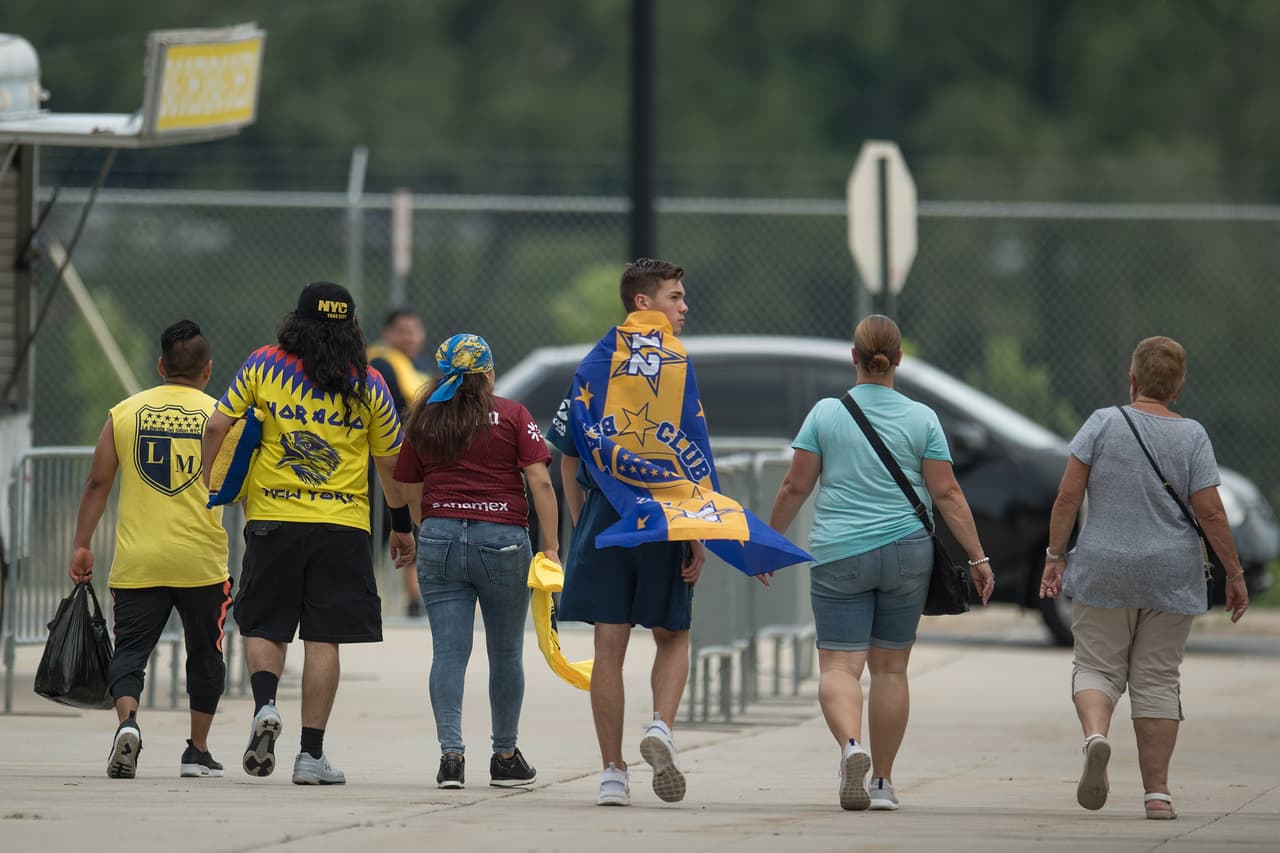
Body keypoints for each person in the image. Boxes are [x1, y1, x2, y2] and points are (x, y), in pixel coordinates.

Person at [767, 314, 994, 812]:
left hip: (839, 554)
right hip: (908, 552)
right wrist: (977, 556)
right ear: (898, 360)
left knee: (839, 667)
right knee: (890, 669)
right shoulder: (923, 418)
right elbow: (948, 493)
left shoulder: (825, 414)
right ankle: (885, 783)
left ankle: (852, 747)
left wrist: (766, 544)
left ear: (854, 358)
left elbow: (795, 486)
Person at [202, 281, 416, 786]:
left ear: (295, 321)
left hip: (273, 518)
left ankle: (265, 705)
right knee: (325, 638)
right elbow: (390, 463)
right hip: (341, 527)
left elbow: (217, 426)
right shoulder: (369, 383)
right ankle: (310, 755)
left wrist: (209, 486)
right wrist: (401, 527)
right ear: (353, 326)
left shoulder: (263, 364)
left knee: (264, 625)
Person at [1039, 335, 1249, 820]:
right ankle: (1158, 795)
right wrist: (1233, 573)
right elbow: (1212, 512)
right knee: (1157, 680)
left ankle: (1096, 736)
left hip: (1104, 567)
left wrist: (1055, 555)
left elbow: (1067, 498)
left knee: (1095, 666)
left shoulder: (1102, 423)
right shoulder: (1193, 435)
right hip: (1171, 574)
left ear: (1132, 380)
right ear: (1178, 387)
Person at [548, 258, 707, 807]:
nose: (684, 308)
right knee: (674, 634)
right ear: (643, 302)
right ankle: (661, 726)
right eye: (675, 297)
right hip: (663, 515)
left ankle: (612, 772)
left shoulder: (592, 363)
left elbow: (567, 458)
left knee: (608, 645)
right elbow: (690, 450)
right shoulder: (677, 363)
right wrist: (697, 530)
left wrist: (583, 524)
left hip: (605, 517)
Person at [393, 333, 559, 790]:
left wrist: (424, 528)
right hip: (503, 540)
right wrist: (552, 547)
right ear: (487, 372)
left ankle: (451, 757)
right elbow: (540, 483)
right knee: (505, 652)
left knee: (448, 653)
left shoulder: (425, 419)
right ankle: (504, 756)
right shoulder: (512, 414)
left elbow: (409, 486)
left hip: (441, 536)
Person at [68, 319, 233, 780]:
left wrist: (82, 544)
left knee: (130, 653)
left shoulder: (125, 413)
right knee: (206, 653)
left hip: (138, 560)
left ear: (161, 365)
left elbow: (98, 482)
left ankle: (128, 724)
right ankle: (197, 751)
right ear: (207, 370)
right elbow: (239, 485)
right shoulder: (221, 417)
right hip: (201, 560)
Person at [368, 309, 430, 617]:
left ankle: (414, 598)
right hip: (382, 462)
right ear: (388, 333)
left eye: (415, 330)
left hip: (409, 461)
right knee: (378, 529)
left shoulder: (416, 365)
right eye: (402, 330)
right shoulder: (381, 365)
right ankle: (363, 591)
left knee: (409, 527)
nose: (410, 336)